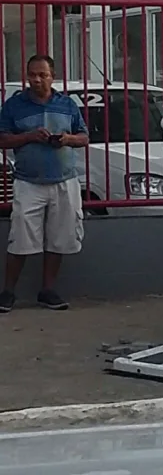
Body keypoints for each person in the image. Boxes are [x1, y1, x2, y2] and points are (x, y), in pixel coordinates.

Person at [0, 55, 88, 313]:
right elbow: (2, 139)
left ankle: (47, 290)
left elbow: (83, 137)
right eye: (31, 75)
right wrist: (29, 137)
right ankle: (8, 292)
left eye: (42, 75)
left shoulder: (67, 104)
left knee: (59, 237)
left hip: (64, 179)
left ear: (53, 76)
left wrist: (66, 139)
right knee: (21, 237)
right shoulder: (14, 106)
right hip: (29, 181)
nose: (36, 80)